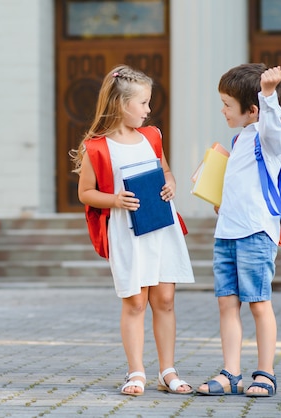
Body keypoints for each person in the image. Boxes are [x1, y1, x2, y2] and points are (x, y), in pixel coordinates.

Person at [70, 64, 195, 396]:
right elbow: (85, 193)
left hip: (160, 225)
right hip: (127, 230)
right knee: (136, 303)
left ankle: (167, 371)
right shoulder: (96, 147)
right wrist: (114, 199)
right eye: (143, 103)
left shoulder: (152, 136)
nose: (149, 110)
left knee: (165, 299)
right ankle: (136, 371)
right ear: (120, 105)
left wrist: (170, 184)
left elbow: (165, 171)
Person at [196, 63, 281, 397]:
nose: (222, 110)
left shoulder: (268, 137)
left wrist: (268, 94)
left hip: (255, 235)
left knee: (259, 303)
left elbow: (273, 126)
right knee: (227, 304)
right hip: (227, 234)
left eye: (227, 105)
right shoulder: (239, 140)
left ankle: (265, 373)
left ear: (251, 110)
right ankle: (231, 373)